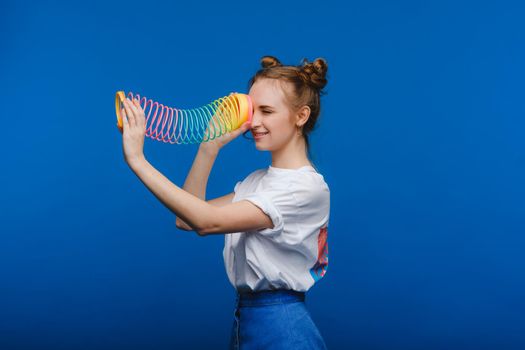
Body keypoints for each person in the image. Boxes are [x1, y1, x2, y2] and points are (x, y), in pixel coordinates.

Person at [120, 55, 330, 349]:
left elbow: (207, 222)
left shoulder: (303, 188)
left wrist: (138, 161)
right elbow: (187, 219)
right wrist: (209, 146)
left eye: (267, 111)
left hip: (282, 328)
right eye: (254, 111)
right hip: (248, 319)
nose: (254, 122)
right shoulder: (258, 182)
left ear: (301, 116)